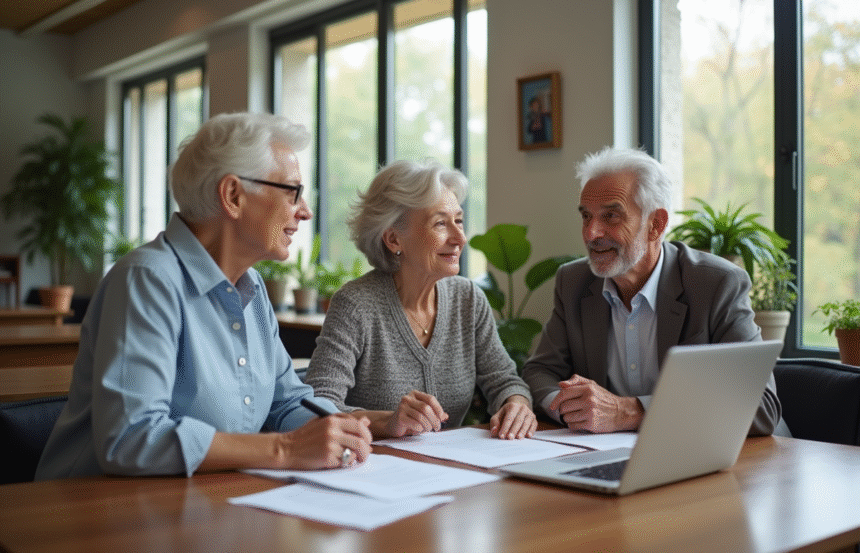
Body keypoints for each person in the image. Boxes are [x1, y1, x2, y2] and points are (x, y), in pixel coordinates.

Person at [35, 113, 372, 480]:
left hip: (202, 498)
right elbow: (130, 439)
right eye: (293, 191)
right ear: (233, 196)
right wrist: (286, 449)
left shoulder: (253, 287)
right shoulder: (146, 279)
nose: (305, 211)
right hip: (89, 505)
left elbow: (287, 402)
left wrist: (343, 429)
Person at [521, 147, 781, 436]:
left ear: (656, 224)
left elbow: (761, 406)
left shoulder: (716, 284)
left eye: (611, 216)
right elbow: (539, 372)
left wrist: (630, 412)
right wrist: (571, 410)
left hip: (715, 454)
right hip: (607, 453)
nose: (591, 233)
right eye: (586, 216)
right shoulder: (574, 282)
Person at [304, 159, 537, 440]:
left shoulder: (468, 299)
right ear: (394, 240)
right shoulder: (356, 305)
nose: (460, 238)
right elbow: (318, 405)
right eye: (440, 223)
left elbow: (506, 381)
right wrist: (388, 422)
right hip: (373, 462)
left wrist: (516, 404)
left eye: (459, 221)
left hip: (453, 462)